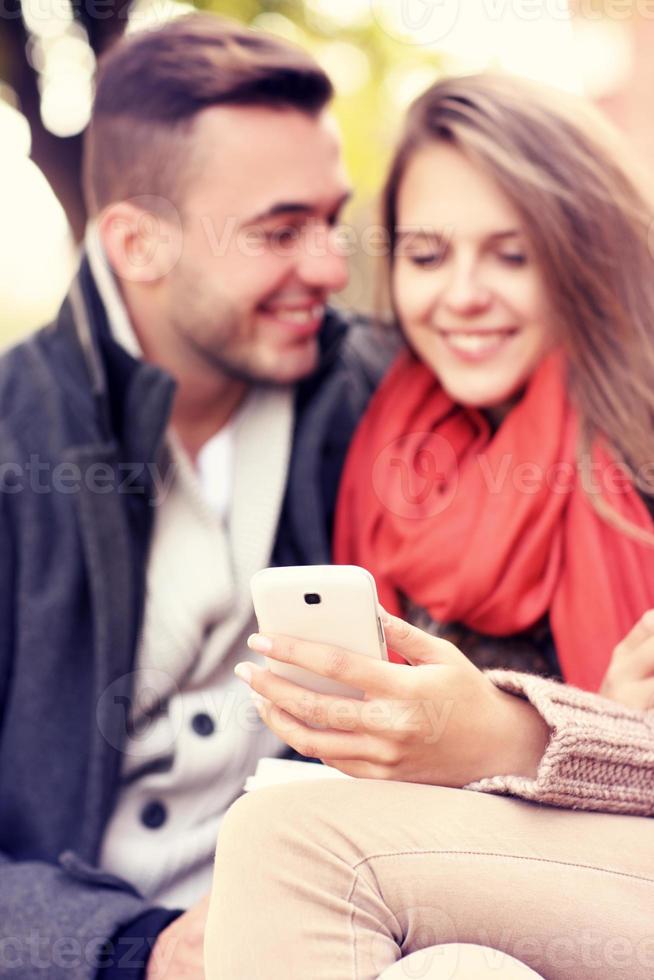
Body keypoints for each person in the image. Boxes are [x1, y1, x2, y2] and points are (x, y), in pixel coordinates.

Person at [206, 74, 654, 980]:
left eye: (512, 255)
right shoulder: (392, 440)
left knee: (295, 846)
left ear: (585, 253)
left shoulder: (636, 441)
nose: (463, 296)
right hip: (493, 889)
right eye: (426, 255)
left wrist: (577, 735)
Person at [0, 15, 396, 980]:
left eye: (331, 219)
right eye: (279, 231)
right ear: (138, 243)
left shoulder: (380, 395)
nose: (332, 269)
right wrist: (134, 950)